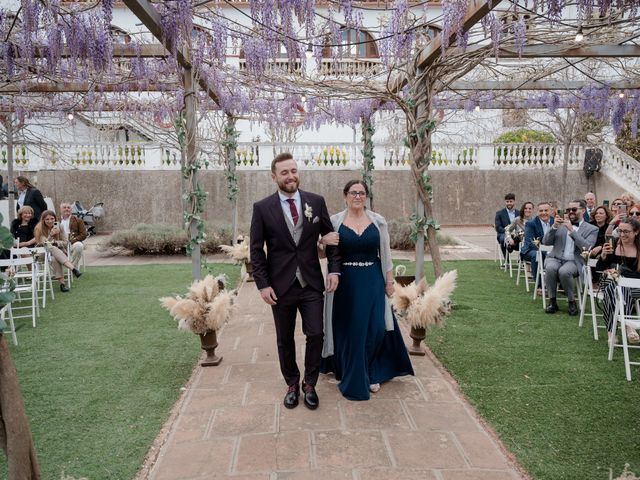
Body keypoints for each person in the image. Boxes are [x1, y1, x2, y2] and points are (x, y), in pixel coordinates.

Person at [250, 152, 340, 411]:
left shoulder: (316, 201)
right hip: (280, 286)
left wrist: (334, 270)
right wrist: (262, 284)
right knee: (284, 338)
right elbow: (256, 250)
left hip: (311, 282)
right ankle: (292, 383)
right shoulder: (262, 208)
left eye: (293, 171)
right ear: (274, 176)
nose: (291, 176)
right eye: (284, 172)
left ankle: (309, 384)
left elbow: (331, 237)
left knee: (316, 333)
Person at [319, 180, 414, 401]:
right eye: (353, 192)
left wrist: (389, 282)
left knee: (376, 327)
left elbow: (386, 254)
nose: (358, 196)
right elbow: (323, 255)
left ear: (366, 196)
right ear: (345, 196)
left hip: (372, 279)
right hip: (345, 283)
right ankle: (351, 371)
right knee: (350, 329)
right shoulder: (334, 222)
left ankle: (372, 369)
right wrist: (322, 240)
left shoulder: (378, 221)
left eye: (362, 193)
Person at [542, 200, 598, 315]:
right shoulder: (560, 225)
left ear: (583, 210)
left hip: (574, 260)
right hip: (555, 257)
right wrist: (554, 227)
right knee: (550, 268)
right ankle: (552, 301)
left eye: (574, 209)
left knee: (564, 271)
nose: (570, 212)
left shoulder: (592, 229)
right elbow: (546, 242)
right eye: (568, 210)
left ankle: (572, 301)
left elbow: (587, 247)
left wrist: (572, 230)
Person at [596, 218, 640, 346]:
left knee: (618, 288)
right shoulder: (613, 244)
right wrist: (603, 256)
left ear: (636, 232)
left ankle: (611, 333)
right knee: (616, 287)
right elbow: (599, 269)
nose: (622, 234)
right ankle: (629, 327)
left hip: (635, 287)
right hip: (610, 281)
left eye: (626, 231)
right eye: (620, 231)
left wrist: (621, 274)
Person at [34, 210, 83, 292]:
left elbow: (66, 242)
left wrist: (56, 242)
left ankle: (62, 285)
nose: (50, 221)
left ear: (55, 219)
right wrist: (50, 235)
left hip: (55, 255)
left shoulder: (59, 227)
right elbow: (44, 243)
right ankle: (73, 269)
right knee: (51, 247)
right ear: (43, 220)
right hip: (42, 253)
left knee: (54, 258)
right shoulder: (39, 228)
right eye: (47, 219)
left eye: (52, 218)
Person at [521, 202, 553, 291]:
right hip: (531, 250)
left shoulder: (555, 222)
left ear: (550, 211)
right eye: (541, 211)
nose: (543, 213)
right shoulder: (531, 224)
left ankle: (561, 284)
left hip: (552, 250)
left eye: (546, 210)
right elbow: (531, 242)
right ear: (537, 212)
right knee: (537, 255)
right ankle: (539, 285)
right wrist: (546, 251)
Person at [59, 202, 87, 269]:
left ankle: (72, 268)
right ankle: (58, 272)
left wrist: (73, 240)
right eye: (64, 207)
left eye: (68, 207)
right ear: (60, 210)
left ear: (71, 210)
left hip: (73, 243)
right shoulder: (55, 220)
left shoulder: (78, 220)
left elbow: (83, 234)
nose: (66, 209)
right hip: (60, 244)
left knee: (79, 246)